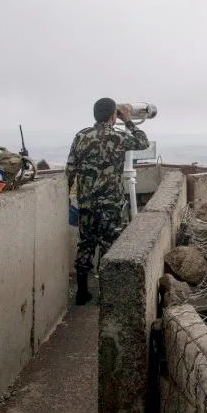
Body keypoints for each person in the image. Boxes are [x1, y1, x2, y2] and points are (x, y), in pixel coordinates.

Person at [66, 97, 149, 305]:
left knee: (85, 244)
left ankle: (82, 292)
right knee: (107, 246)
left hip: (86, 203)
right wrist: (128, 120)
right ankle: (106, 296)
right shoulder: (118, 137)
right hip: (110, 204)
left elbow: (70, 169)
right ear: (114, 116)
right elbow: (142, 142)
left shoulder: (81, 136)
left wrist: (68, 198)